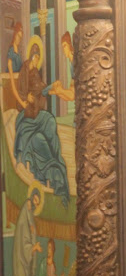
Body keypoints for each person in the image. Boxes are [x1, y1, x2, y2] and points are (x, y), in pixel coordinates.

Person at [14, 41, 70, 207]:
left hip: (37, 113)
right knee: (39, 139)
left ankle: (56, 158)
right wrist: (25, 98)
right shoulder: (24, 71)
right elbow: (21, 95)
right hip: (26, 117)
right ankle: (51, 171)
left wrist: (52, 88)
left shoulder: (35, 73)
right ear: (31, 56)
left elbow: (40, 89)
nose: (37, 60)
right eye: (36, 57)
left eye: (39, 58)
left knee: (50, 120)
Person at [48, 31, 75, 102]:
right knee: (67, 95)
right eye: (62, 47)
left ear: (69, 44)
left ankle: (58, 90)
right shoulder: (70, 61)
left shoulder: (75, 59)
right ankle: (57, 91)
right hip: (76, 87)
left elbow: (73, 95)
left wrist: (61, 91)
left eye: (65, 46)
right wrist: (59, 92)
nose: (63, 50)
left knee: (71, 95)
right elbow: (71, 93)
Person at [6, 22, 27, 110]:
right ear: (14, 35)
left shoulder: (18, 52)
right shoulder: (11, 52)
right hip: (11, 86)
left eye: (21, 37)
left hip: (19, 83)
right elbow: (11, 81)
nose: (19, 39)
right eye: (18, 36)